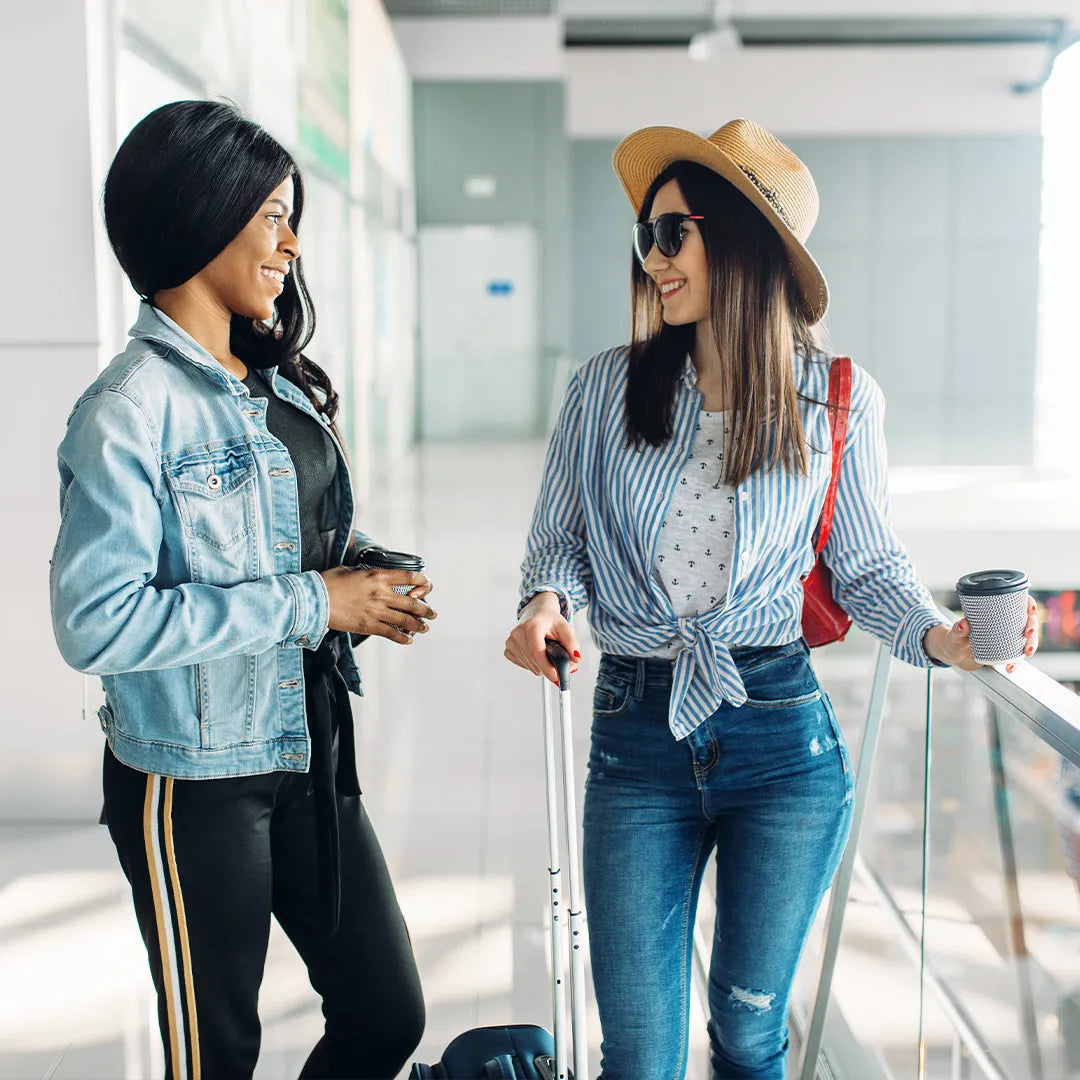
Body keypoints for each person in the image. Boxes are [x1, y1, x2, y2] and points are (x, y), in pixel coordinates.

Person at [503, 118, 1041, 1079]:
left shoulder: (837, 401)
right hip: (636, 735)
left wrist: (941, 637)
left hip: (782, 742)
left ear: (743, 241)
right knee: (639, 1052)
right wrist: (546, 600)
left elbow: (868, 564)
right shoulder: (601, 390)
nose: (653, 260)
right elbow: (561, 538)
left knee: (750, 1035)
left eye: (674, 235)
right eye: (647, 237)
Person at [49, 100, 434, 1079]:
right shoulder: (126, 413)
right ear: (198, 213)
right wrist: (317, 605)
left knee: (385, 1015)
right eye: (271, 214)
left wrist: (361, 573)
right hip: (193, 782)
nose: (290, 242)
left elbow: (282, 540)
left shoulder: (278, 382)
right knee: (215, 1056)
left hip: (308, 750)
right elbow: (97, 623)